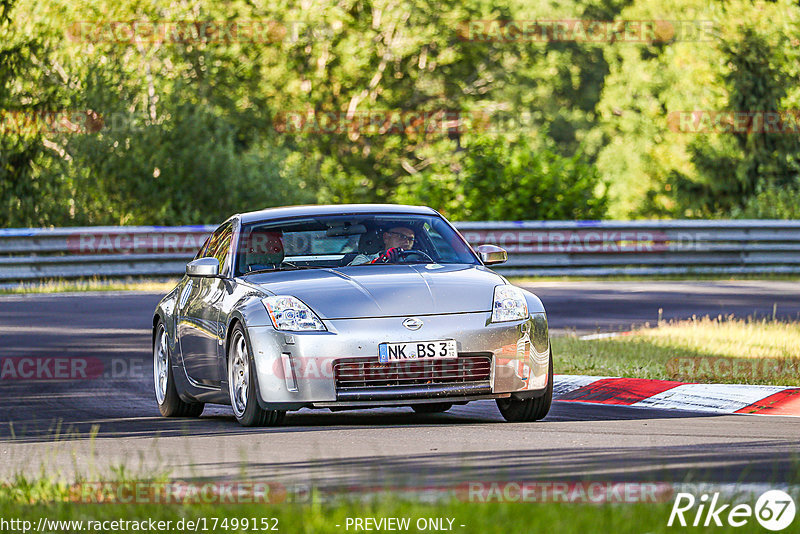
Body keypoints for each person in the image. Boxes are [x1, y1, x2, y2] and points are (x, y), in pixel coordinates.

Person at [349, 226, 415, 265]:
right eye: (402, 236)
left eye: (411, 239)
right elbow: (354, 272)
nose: (407, 242)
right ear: (386, 237)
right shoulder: (364, 258)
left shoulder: (419, 260)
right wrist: (380, 261)